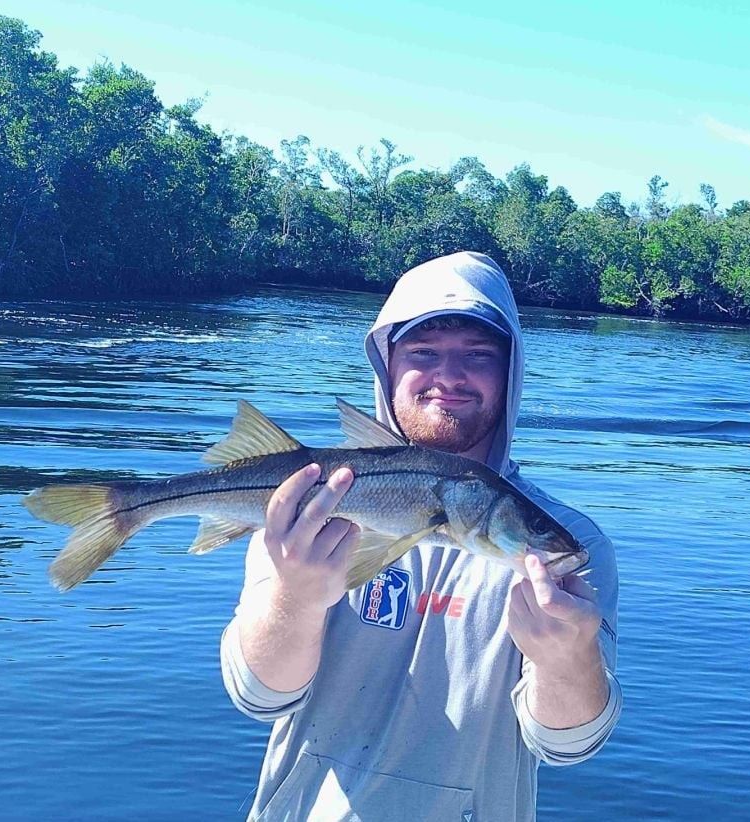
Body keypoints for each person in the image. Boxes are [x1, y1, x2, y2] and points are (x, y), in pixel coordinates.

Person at [221, 251, 621, 821]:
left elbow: (566, 744)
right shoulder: (308, 511)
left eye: (479, 355)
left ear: (512, 374)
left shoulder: (572, 544)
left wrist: (566, 659)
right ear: (387, 366)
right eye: (423, 353)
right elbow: (260, 697)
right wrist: (295, 599)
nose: (450, 377)